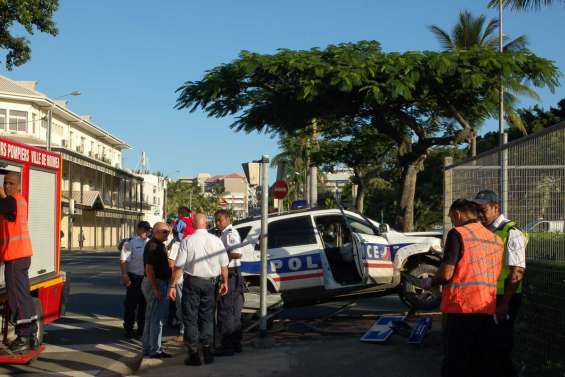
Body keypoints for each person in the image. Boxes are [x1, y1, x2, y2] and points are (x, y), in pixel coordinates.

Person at [415, 199, 504, 377]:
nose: (452, 222)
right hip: (487, 308)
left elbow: (447, 274)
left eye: (451, 218)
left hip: (462, 307)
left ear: (457, 214)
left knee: (456, 361)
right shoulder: (495, 239)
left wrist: (430, 282)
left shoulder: (458, 234)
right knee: (479, 361)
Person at [471, 189, 527, 377]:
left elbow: (517, 271)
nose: (479, 214)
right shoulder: (485, 231)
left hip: (505, 298)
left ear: (496, 207)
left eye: (483, 209)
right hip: (488, 297)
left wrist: (504, 305)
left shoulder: (512, 232)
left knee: (501, 346)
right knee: (487, 346)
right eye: (476, 210)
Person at [169, 213, 229, 366]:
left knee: (190, 319)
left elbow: (179, 266)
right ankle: (208, 351)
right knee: (207, 317)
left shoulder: (187, 241)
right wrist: (225, 282)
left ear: (194, 225)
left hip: (192, 283)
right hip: (210, 283)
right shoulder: (216, 241)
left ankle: (194, 354)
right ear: (206, 224)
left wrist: (172, 285)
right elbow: (224, 265)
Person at [0, 172, 39, 353]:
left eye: (11, 183)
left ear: (18, 186)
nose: (7, 186)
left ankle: (23, 336)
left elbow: (4, 203)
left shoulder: (12, 201)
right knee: (24, 295)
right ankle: (31, 333)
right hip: (21, 256)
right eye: (5, 183)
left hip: (16, 258)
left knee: (15, 297)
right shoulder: (19, 201)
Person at [214, 210, 244, 356]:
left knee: (226, 311)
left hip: (232, 274)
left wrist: (219, 254)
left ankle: (227, 346)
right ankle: (235, 344)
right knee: (233, 311)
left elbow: (237, 253)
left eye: (220, 220)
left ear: (227, 219)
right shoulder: (224, 234)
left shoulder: (230, 234)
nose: (217, 223)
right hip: (232, 274)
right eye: (216, 220)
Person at [141, 222, 172, 358]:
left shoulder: (159, 245)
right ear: (156, 232)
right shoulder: (153, 246)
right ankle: (154, 349)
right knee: (156, 318)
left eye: (168, 232)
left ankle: (149, 347)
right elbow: (149, 269)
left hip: (157, 282)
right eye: (164, 232)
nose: (167, 234)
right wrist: (156, 289)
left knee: (151, 316)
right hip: (156, 283)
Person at [120, 221, 151, 338]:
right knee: (131, 305)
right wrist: (124, 275)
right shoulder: (130, 243)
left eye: (147, 230)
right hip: (134, 278)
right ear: (138, 230)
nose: (145, 232)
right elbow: (123, 260)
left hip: (146, 279)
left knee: (144, 306)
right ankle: (128, 328)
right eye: (143, 230)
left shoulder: (150, 243)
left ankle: (141, 329)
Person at [166, 234, 184, 338]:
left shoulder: (177, 244)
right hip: (195, 279)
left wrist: (172, 282)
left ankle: (183, 328)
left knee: (181, 303)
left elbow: (171, 263)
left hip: (180, 279)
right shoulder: (176, 244)